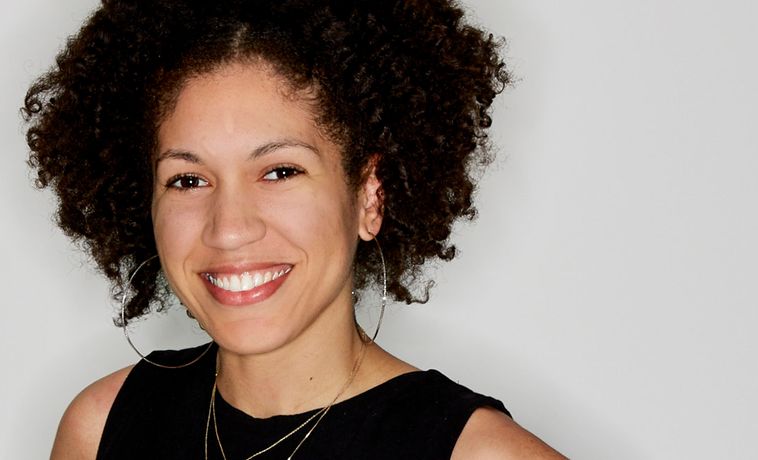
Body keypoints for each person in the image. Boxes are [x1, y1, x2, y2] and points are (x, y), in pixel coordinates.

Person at [24, 1, 565, 458]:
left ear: (368, 195)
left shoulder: (481, 453)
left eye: (280, 171)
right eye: (188, 179)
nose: (229, 229)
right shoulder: (98, 430)